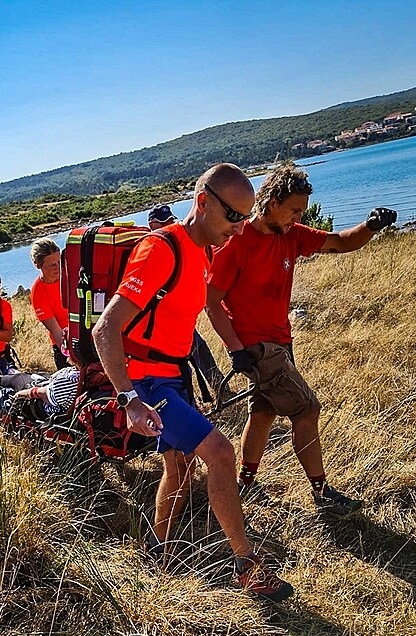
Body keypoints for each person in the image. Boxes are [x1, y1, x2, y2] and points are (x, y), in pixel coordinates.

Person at [93, 164, 293, 602]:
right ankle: (248, 568)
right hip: (146, 380)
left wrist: (241, 349)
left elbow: (206, 305)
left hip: (171, 376)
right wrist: (129, 399)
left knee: (179, 469)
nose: (239, 229)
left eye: (246, 217)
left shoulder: (203, 251)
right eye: (233, 217)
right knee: (220, 453)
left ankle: (156, 548)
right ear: (202, 202)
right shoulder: (161, 249)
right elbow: (105, 330)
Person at [205, 162, 397, 518]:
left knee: (263, 413)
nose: (297, 217)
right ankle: (322, 492)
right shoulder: (237, 242)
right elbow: (211, 302)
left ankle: (245, 483)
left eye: (301, 211)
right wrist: (236, 351)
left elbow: (340, 243)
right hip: (258, 349)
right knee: (307, 409)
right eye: (293, 209)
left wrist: (370, 226)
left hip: (280, 342)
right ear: (273, 201)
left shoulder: (289, 234)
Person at [148, 204, 225, 391]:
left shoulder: (176, 246)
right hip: (158, 324)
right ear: (152, 225)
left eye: (171, 221)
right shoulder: (149, 249)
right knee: (176, 364)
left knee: (199, 349)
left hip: (178, 318)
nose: (169, 225)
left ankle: (220, 388)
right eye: (163, 223)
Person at [30, 238, 70, 370]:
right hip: (64, 346)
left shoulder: (70, 275)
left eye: (59, 262)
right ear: (38, 265)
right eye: (52, 265)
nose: (58, 268)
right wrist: (70, 355)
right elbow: (56, 331)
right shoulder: (38, 293)